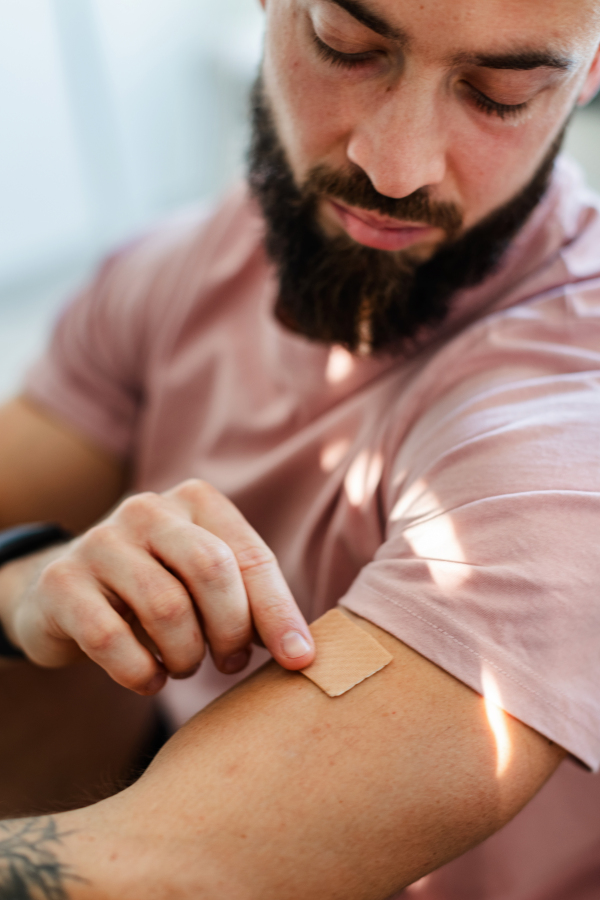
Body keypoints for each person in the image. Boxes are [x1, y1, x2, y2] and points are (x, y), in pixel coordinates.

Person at [0, 0, 599, 896]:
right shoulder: (181, 266)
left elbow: (153, 875)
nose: (393, 167)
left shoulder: (562, 445)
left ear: (590, 78)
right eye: (346, 48)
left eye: (500, 94)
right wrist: (25, 581)